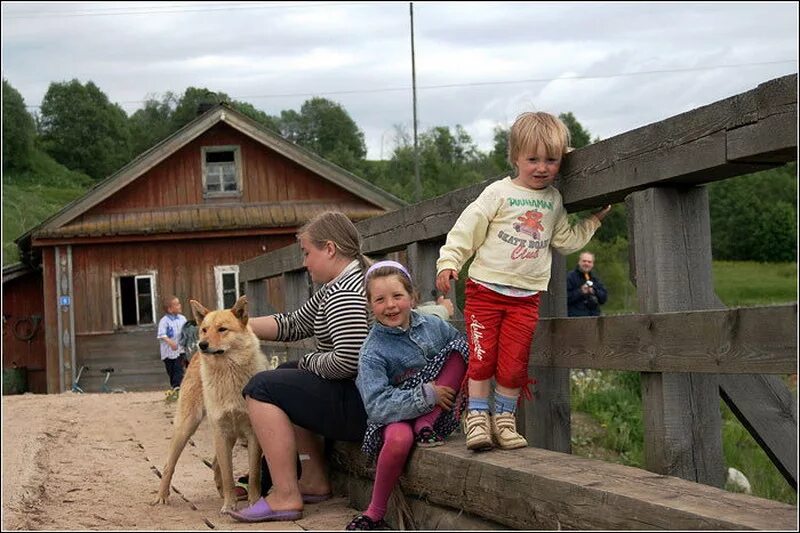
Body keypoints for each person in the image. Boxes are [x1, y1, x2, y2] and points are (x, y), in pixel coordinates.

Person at [436, 111, 611, 452]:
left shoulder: (554, 201)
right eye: (532, 159)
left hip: (526, 297)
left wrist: (592, 222)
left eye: (552, 160)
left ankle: (504, 419)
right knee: (482, 357)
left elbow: (565, 241)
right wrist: (450, 261)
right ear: (515, 157)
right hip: (485, 290)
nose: (542, 168)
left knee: (514, 362)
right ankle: (477, 418)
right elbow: (466, 229)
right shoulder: (498, 193)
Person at [229, 211, 372, 523]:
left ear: (330, 249)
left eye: (308, 253)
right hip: (361, 398)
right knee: (284, 377)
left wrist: (308, 363)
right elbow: (292, 324)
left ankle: (284, 495)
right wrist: (230, 324)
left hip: (365, 406)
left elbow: (349, 360)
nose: (305, 263)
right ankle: (312, 478)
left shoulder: (345, 293)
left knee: (261, 387)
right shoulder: (341, 283)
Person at [345, 261, 468, 530]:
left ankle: (425, 424)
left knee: (461, 347)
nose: (390, 305)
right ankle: (375, 511)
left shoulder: (434, 326)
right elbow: (377, 406)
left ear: (412, 297)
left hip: (437, 416)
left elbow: (460, 355)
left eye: (397, 296)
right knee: (400, 438)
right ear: (369, 305)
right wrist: (425, 395)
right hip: (395, 414)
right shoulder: (372, 352)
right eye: (380, 299)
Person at [157, 295, 187, 390]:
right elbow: (161, 334)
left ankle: (178, 386)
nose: (180, 306)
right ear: (170, 309)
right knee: (171, 370)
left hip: (180, 350)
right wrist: (170, 342)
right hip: (168, 352)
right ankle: (174, 386)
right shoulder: (164, 321)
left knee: (178, 368)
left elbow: (186, 331)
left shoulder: (182, 319)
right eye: (177, 304)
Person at [567, 251, 608, 317]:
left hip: (594, 318)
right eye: (584, 261)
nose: (586, 264)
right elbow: (564, 299)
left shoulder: (595, 278)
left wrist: (594, 291)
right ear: (579, 262)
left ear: (592, 264)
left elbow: (604, 298)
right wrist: (581, 292)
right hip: (575, 319)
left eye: (589, 262)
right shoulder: (570, 277)